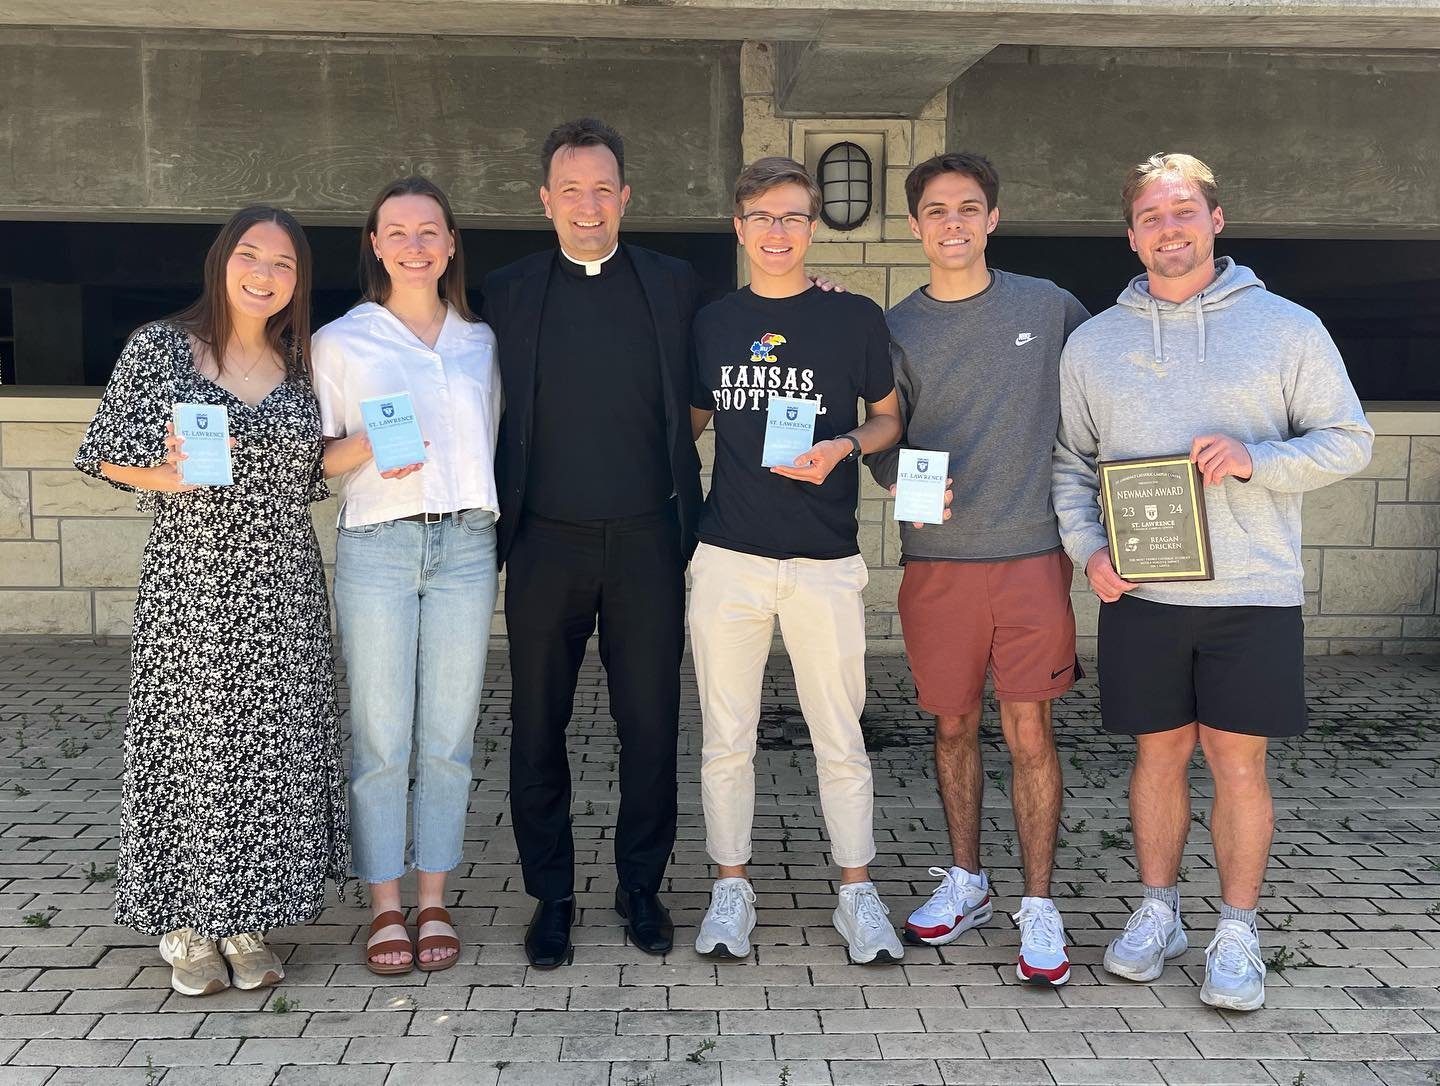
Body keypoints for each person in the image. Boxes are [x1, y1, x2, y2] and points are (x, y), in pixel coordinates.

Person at [1052, 152, 1372, 1011]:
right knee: (1158, 757)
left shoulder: (1287, 328)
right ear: (1131, 235)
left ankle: (1237, 930)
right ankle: (1158, 912)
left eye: (1183, 211)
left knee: (1238, 764)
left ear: (1216, 220)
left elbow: (1349, 440)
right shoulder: (1094, 343)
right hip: (1145, 594)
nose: (1169, 229)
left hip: (1252, 592)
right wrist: (1089, 550)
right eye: (1152, 217)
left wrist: (1256, 459)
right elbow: (1071, 464)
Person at [74, 205, 348, 997]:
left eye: (285, 265)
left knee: (268, 745)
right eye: (252, 257)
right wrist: (167, 475)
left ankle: (246, 917)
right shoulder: (161, 348)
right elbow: (102, 454)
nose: (265, 275)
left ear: (298, 282)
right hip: (194, 580)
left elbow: (303, 475)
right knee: (195, 745)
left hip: (284, 582)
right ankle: (189, 921)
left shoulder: (300, 367)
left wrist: (371, 450)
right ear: (223, 261)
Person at [481, 118, 704, 968]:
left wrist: (823, 294)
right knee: (537, 726)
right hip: (543, 542)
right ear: (545, 201)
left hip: (649, 538)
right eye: (569, 189)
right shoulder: (506, 290)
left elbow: (734, 354)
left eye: (602, 188)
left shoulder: (674, 282)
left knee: (650, 726)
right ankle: (552, 895)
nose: (587, 204)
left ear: (626, 197)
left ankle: (640, 886)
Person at [866, 152, 1090, 986]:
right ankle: (967, 881)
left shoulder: (1049, 305)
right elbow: (884, 438)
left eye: (968, 207)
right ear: (916, 224)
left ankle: (1038, 904)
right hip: (938, 564)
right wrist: (906, 484)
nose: (952, 222)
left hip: (1032, 556)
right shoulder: (895, 328)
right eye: (935, 209)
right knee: (952, 725)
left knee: (1030, 730)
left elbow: (1105, 383)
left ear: (992, 218)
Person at [688, 156, 905, 965]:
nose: (776, 232)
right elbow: (692, 422)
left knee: (839, 735)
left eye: (792, 217)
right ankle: (731, 890)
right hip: (729, 560)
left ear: (811, 227)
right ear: (739, 227)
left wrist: (842, 446)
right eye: (761, 217)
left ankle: (857, 892)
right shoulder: (711, 322)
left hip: (823, 560)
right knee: (726, 737)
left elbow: (885, 418)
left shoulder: (852, 319)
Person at [313, 176, 501, 976]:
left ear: (452, 243)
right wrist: (375, 446)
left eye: (431, 230)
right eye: (398, 231)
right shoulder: (341, 342)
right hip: (380, 545)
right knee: (383, 737)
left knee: (450, 737)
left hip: (465, 545)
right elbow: (317, 460)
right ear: (375, 244)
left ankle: (435, 898)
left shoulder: (482, 341)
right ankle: (385, 906)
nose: (415, 244)